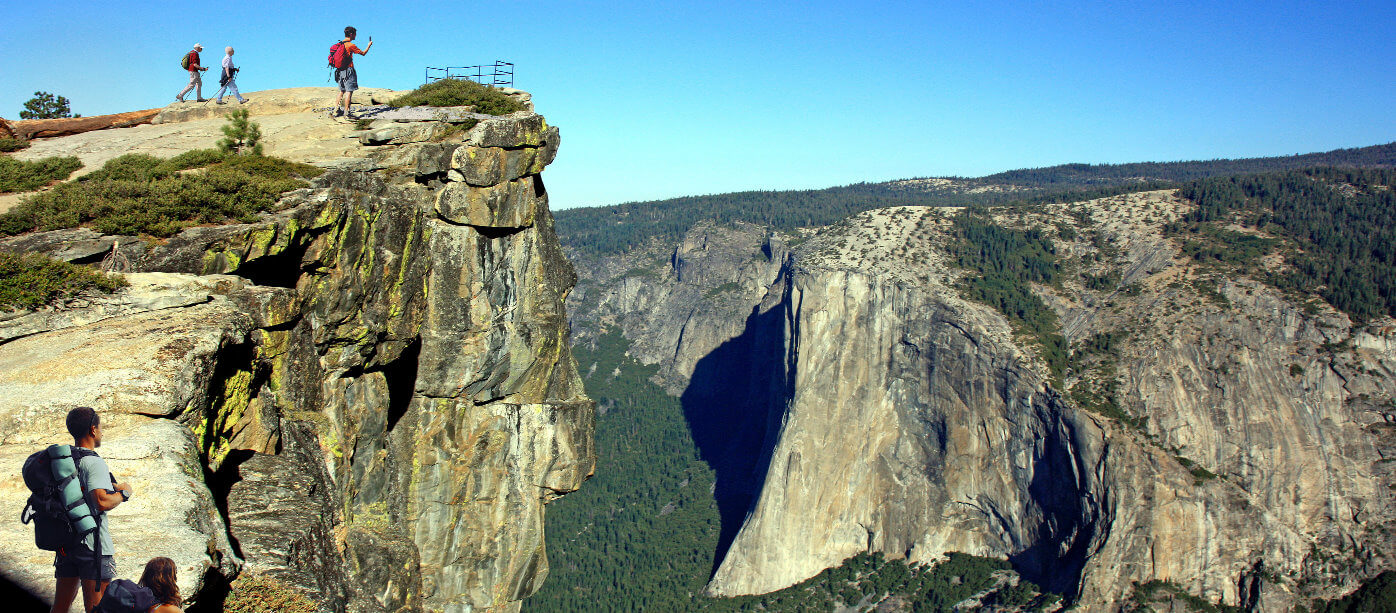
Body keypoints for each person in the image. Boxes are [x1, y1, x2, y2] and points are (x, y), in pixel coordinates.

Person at [51, 407, 132, 613]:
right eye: (100, 427)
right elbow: (101, 501)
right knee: (97, 609)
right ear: (93, 430)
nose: (102, 432)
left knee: (60, 608)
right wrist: (124, 494)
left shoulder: (65, 461)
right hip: (93, 547)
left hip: (67, 545)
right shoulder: (94, 462)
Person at [334, 26, 373, 118]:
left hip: (339, 71)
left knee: (341, 91)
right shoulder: (350, 45)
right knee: (349, 91)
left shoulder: (339, 44)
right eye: (355, 34)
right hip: (348, 70)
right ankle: (347, 112)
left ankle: (336, 110)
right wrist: (369, 45)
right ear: (351, 34)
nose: (355, 36)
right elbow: (363, 53)